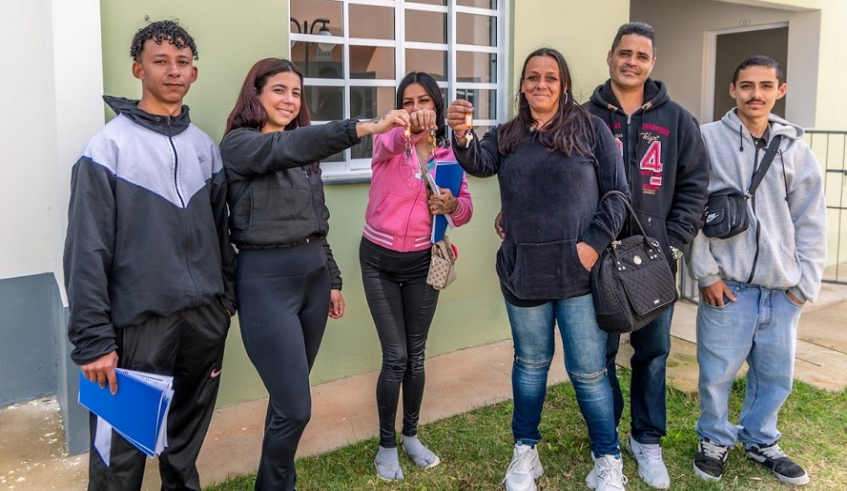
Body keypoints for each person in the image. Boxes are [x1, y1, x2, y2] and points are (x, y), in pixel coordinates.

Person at [219, 58, 408, 491]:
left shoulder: (304, 157)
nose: (289, 100)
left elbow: (316, 223)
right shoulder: (240, 146)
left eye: (296, 93)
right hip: (265, 282)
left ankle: (273, 481)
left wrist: (334, 280)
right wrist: (366, 127)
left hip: (313, 281)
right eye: (279, 90)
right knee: (296, 407)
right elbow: (284, 150)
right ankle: (278, 484)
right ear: (256, 94)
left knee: (287, 401)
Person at [64, 20, 237, 490]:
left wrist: (226, 303)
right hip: (137, 326)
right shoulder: (107, 148)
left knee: (183, 449)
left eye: (182, 63)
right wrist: (94, 340)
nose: (173, 71)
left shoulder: (205, 148)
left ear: (194, 73)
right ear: (139, 69)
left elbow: (223, 237)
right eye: (161, 61)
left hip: (203, 322)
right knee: (119, 459)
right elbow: (85, 252)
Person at [447, 48, 630, 491]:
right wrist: (462, 134)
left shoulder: (591, 130)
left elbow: (618, 195)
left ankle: (607, 460)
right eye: (532, 77)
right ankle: (525, 453)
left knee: (589, 372)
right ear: (522, 85)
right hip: (524, 273)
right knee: (530, 366)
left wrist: (592, 245)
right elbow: (479, 162)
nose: (540, 85)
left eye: (550, 77)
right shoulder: (508, 135)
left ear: (564, 84)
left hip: (579, 277)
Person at [687, 55, 825, 486]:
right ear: (732, 90)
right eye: (746, 85)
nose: (756, 94)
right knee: (716, 375)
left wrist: (804, 285)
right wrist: (706, 273)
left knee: (775, 375)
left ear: (780, 91)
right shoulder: (706, 140)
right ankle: (714, 440)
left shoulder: (796, 150)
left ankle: (762, 440)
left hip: (781, 289)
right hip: (728, 287)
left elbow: (811, 220)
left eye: (766, 86)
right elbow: (690, 210)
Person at [585, 22, 710, 489]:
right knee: (598, 354)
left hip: (656, 260)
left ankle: (646, 439)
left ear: (651, 62)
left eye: (641, 54)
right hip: (599, 260)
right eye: (624, 52)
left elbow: (696, 186)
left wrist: (673, 242)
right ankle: (607, 440)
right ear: (610, 56)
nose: (631, 61)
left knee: (653, 353)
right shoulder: (585, 116)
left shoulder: (677, 119)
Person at [361, 71, 473, 481]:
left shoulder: (449, 155)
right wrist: (407, 131)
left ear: (437, 106)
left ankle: (410, 436)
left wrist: (450, 206)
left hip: (424, 262)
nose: (415, 108)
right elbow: (391, 140)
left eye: (423, 100)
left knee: (416, 354)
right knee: (396, 357)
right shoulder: (387, 142)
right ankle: (386, 445)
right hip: (379, 261)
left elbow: (465, 207)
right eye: (407, 101)